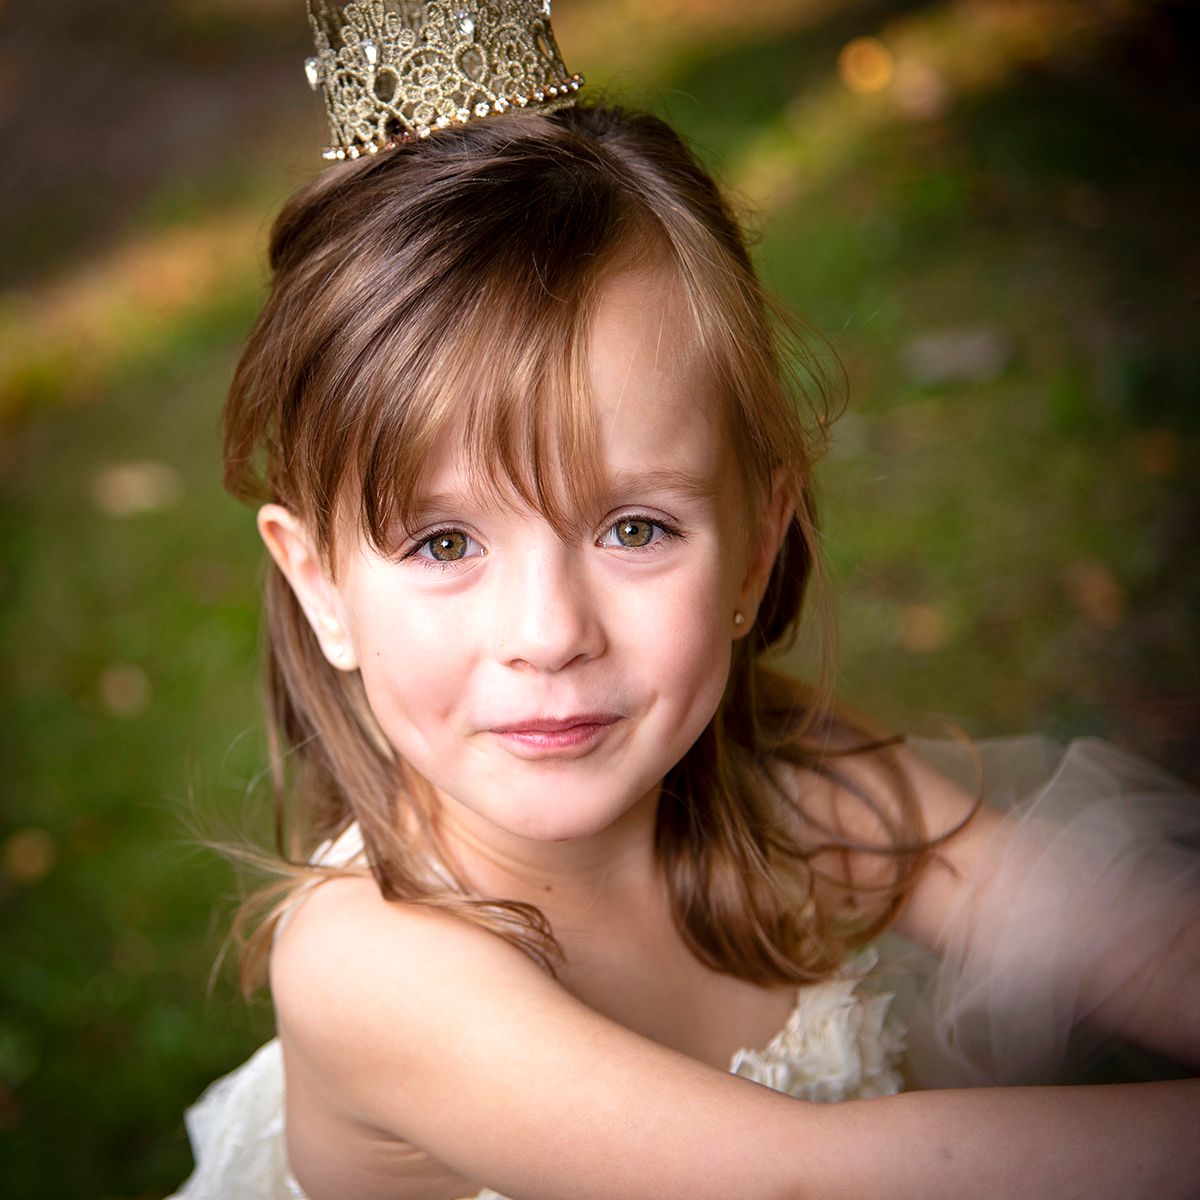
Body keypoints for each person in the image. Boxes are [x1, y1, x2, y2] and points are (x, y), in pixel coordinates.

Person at [172, 3, 1200, 1197]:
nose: (550, 634)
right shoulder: (370, 969)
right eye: (445, 541)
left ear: (756, 552)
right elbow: (794, 1184)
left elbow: (1116, 928)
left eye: (635, 527)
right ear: (321, 590)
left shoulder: (794, 791)